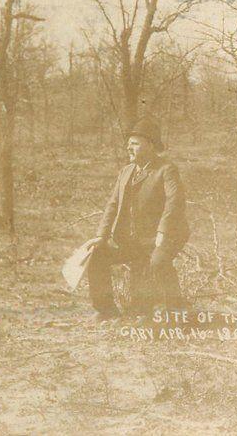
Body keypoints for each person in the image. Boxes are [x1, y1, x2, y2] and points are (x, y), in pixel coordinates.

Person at [86, 117, 190, 321]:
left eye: (134, 143)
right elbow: (112, 205)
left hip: (164, 237)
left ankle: (177, 312)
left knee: (157, 262)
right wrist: (101, 236)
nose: (128, 148)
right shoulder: (126, 171)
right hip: (133, 240)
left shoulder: (166, 169)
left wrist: (163, 232)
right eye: (128, 144)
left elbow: (175, 201)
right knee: (96, 255)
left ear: (150, 145)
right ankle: (106, 311)